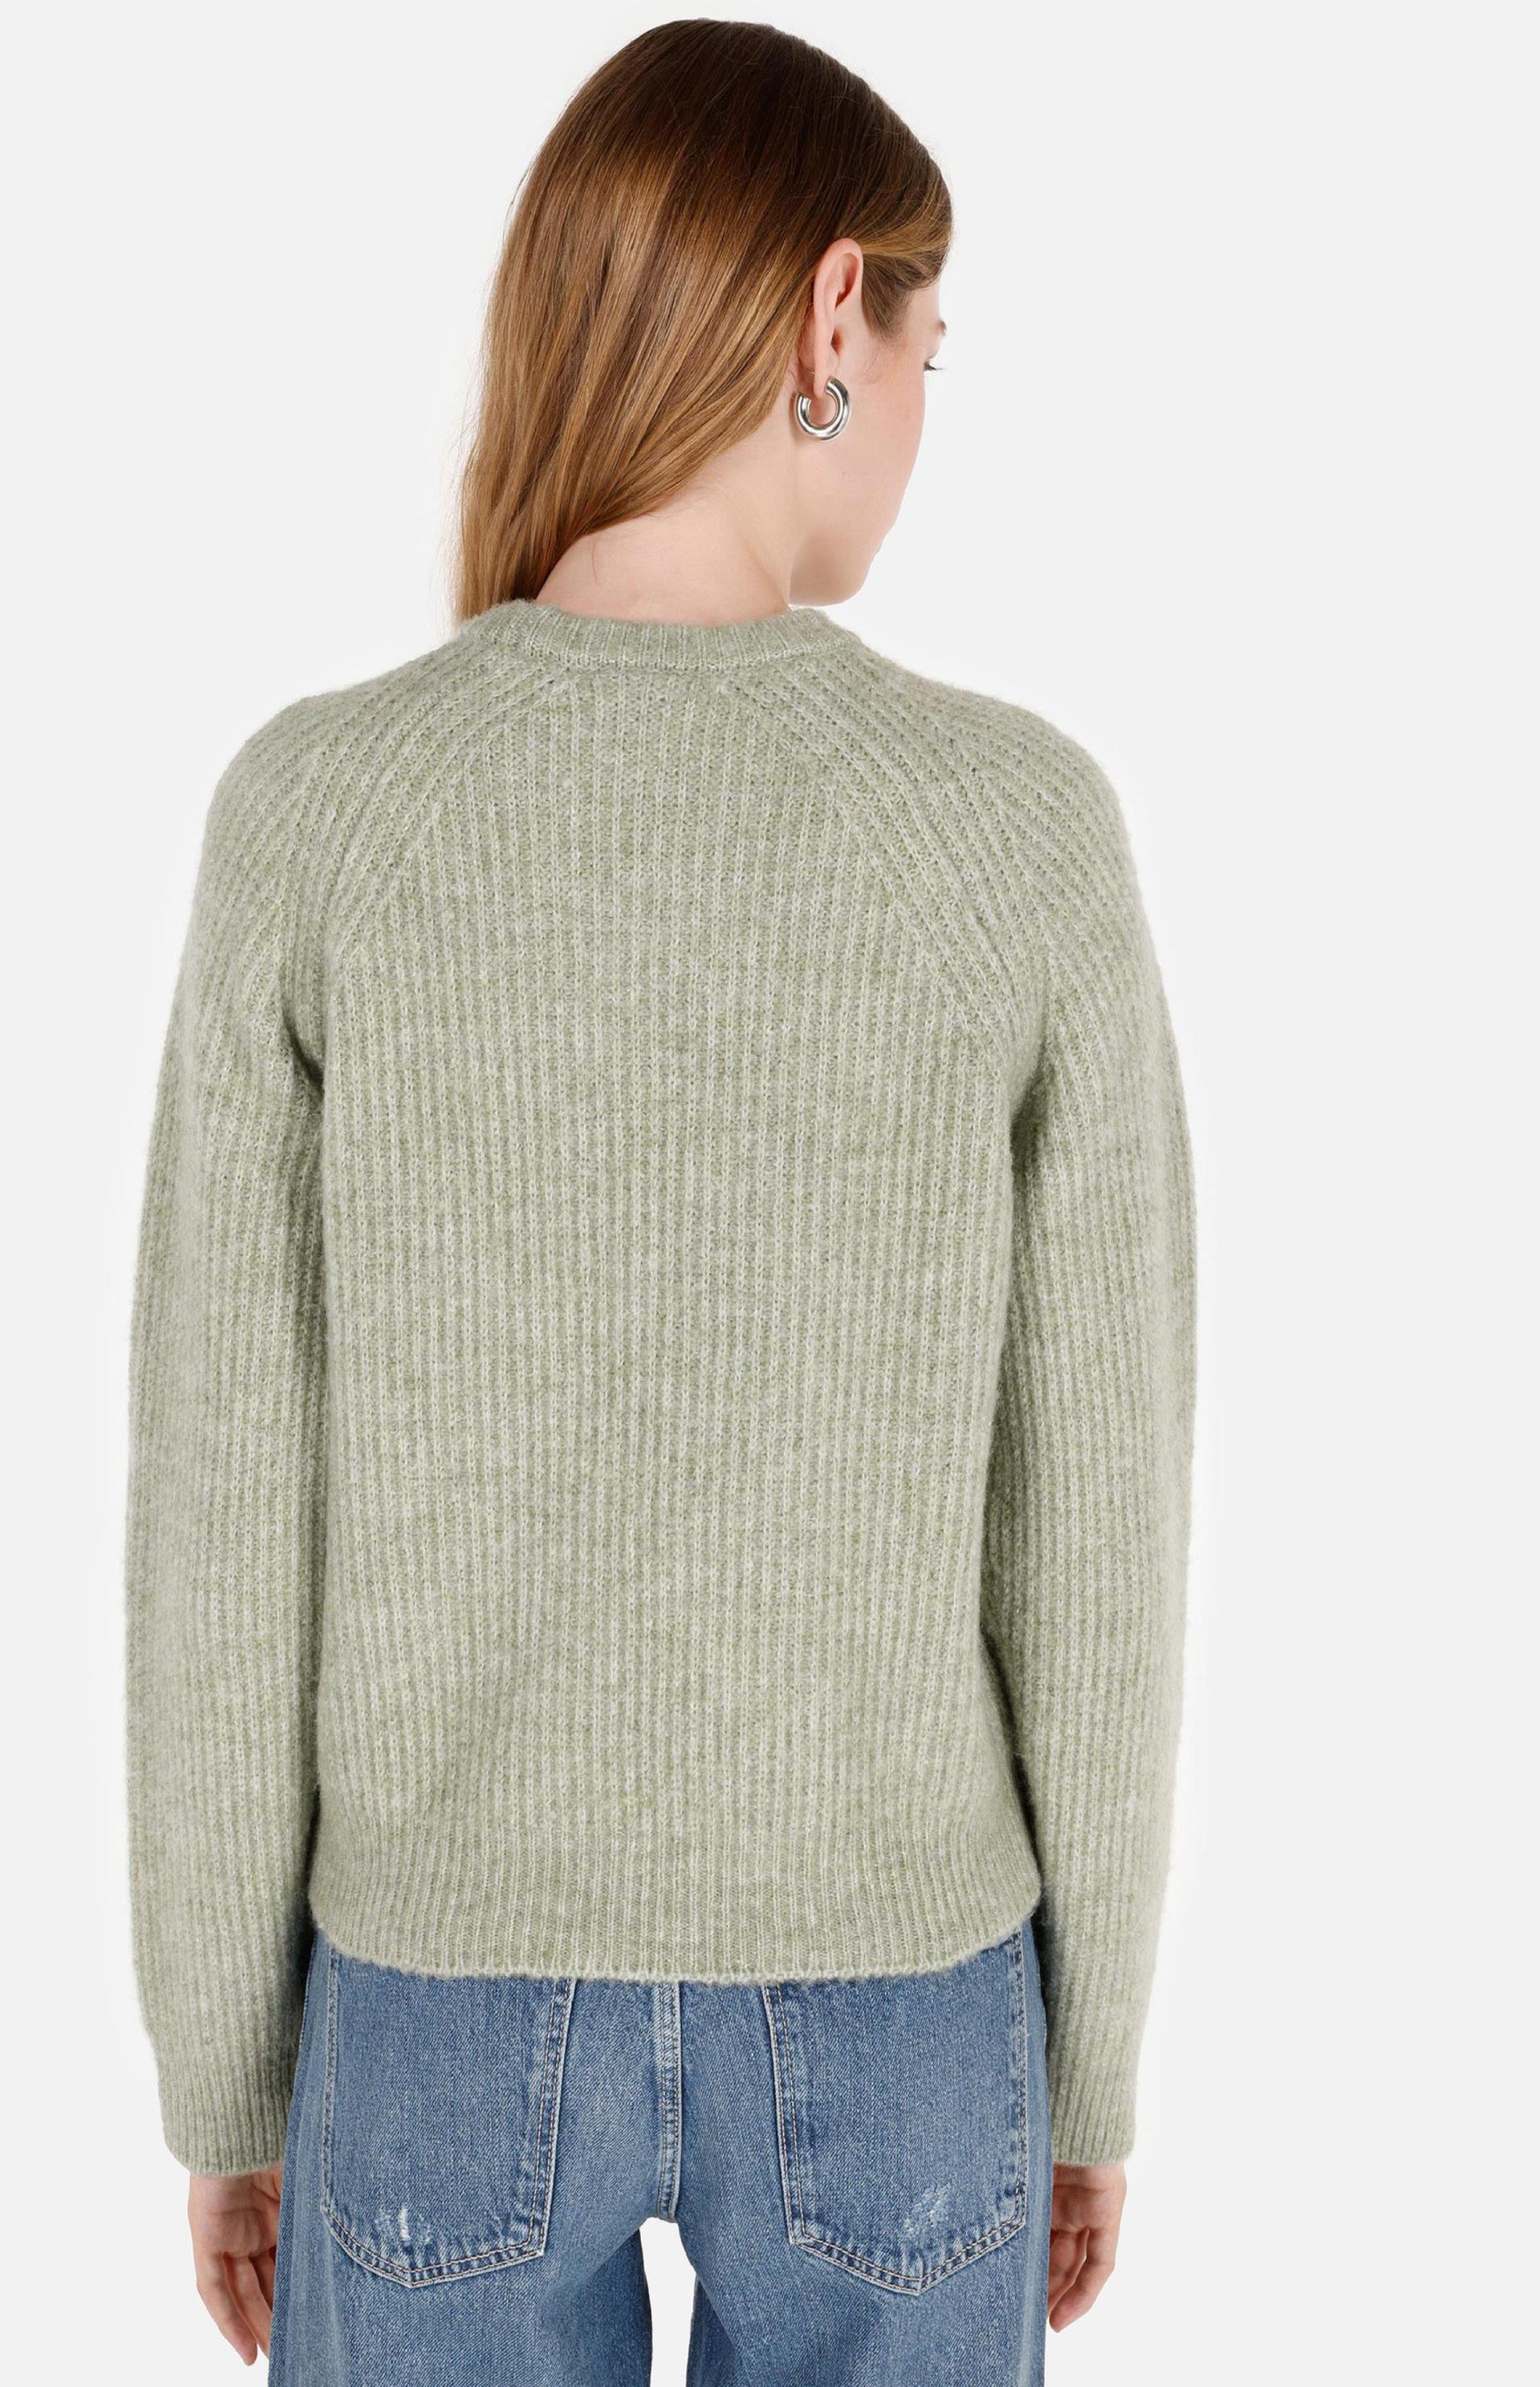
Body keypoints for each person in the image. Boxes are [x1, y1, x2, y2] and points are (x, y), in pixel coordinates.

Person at [124, 20, 1196, 2383]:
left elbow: (225, 1498)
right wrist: (1093, 2056)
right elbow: (1097, 1524)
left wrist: (228, 2069)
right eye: (932, 347)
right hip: (908, 1994)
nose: (923, 413)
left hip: (430, 1994)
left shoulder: (324, 814)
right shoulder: (1012, 829)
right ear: (832, 317)